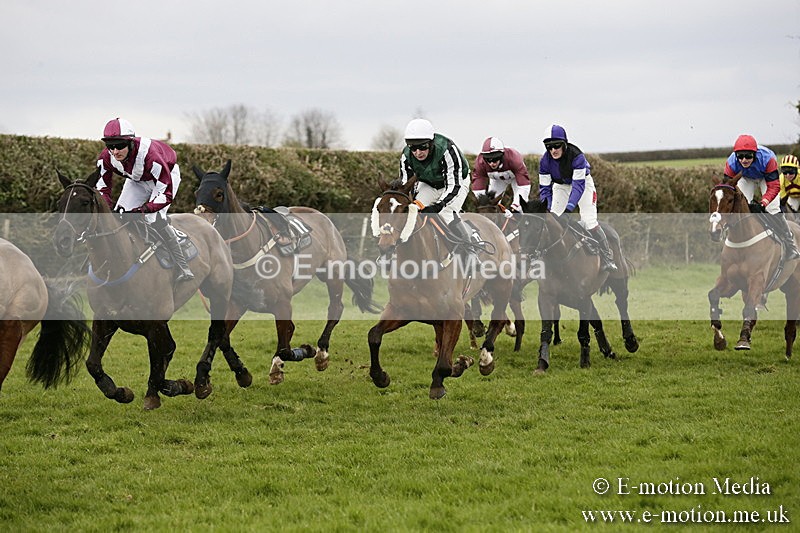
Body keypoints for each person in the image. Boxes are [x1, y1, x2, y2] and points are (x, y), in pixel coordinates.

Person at [96, 117, 195, 281]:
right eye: (110, 146)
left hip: (166, 177)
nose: (115, 151)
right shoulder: (105, 158)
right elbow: (102, 188)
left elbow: (165, 193)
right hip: (137, 181)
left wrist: (143, 210)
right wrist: (108, 209)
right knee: (119, 216)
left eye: (120, 145)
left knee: (153, 218)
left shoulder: (151, 156)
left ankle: (183, 266)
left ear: (131, 142)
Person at [538, 124, 617, 272]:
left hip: (583, 185)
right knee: (553, 219)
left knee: (589, 221)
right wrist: (546, 207)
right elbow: (545, 189)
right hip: (561, 186)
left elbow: (578, 186)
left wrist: (569, 208)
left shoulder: (577, 156)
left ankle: (607, 257)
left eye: (556, 145)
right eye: (549, 146)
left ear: (564, 144)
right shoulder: (544, 161)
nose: (553, 150)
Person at [398, 118, 479, 256]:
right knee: (415, 212)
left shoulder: (447, 150)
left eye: (422, 147)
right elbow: (406, 188)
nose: (418, 152)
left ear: (431, 143)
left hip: (457, 182)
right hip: (429, 184)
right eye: (413, 148)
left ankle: (471, 248)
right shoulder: (406, 157)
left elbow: (454, 185)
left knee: (444, 213)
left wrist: (439, 205)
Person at [724, 135, 800, 261]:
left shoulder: (767, 159)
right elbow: (727, 187)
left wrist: (764, 202)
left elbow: (774, 186)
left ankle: (790, 245)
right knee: (741, 208)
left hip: (766, 177)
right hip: (746, 178)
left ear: (755, 154)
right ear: (735, 155)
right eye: (740, 156)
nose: (744, 160)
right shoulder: (731, 163)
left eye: (748, 156)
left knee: (773, 209)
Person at [471, 136, 531, 216]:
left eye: (495, 159)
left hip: (516, 179)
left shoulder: (514, 158)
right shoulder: (480, 163)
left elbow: (524, 186)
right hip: (497, 180)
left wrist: (514, 207)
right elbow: (478, 190)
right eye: (488, 159)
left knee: (519, 208)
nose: (492, 163)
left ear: (501, 155)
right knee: (491, 205)